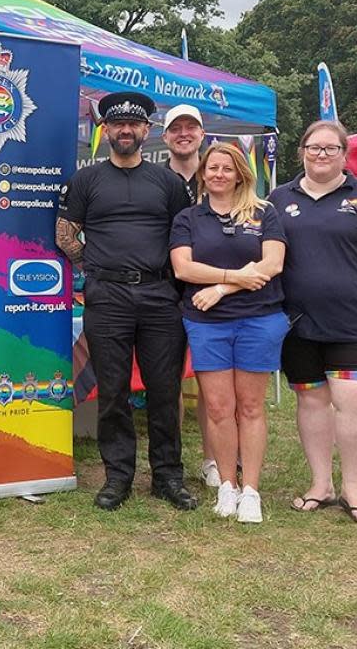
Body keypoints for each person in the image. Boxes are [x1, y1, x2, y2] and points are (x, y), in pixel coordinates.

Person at [57, 91, 197, 513]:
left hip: (160, 296)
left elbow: (185, 236)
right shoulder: (86, 179)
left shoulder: (169, 183)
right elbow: (65, 234)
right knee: (114, 391)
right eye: (117, 124)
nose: (125, 130)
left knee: (163, 388)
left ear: (146, 132)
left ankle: (167, 476)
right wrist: (96, 266)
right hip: (108, 296)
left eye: (133, 124)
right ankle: (118, 476)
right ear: (106, 130)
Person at [268, 121, 357, 524]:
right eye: (314, 148)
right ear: (302, 153)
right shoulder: (278, 198)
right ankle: (320, 484)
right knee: (311, 401)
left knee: (355, 402)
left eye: (331, 148)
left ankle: (353, 489)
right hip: (297, 324)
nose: (322, 155)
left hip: (356, 322)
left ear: (345, 154)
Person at [170, 142, 287, 523]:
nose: (218, 174)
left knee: (251, 407)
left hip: (259, 318)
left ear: (240, 173)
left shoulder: (264, 213)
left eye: (227, 168)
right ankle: (226, 485)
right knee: (219, 409)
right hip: (207, 324)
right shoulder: (188, 217)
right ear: (203, 173)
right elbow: (184, 269)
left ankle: (251, 489)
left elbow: (272, 263)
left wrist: (222, 288)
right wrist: (234, 276)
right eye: (212, 168)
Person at [161, 103, 219, 489]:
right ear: (165, 136)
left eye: (191, 128)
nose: (184, 133)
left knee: (213, 383)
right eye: (176, 128)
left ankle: (214, 460)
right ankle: (173, 462)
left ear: (202, 134)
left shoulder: (220, 176)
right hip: (163, 292)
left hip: (213, 293)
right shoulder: (151, 178)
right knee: (167, 385)